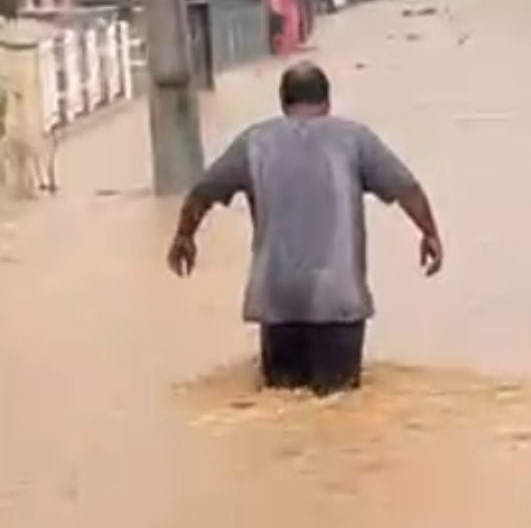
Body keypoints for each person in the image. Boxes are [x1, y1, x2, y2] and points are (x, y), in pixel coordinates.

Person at [166, 62, 444, 395]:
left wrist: (184, 237)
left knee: (282, 409)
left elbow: (202, 192)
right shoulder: (354, 139)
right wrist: (429, 234)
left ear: (283, 102)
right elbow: (406, 188)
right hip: (338, 300)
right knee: (338, 412)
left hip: (276, 299)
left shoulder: (254, 142)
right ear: (327, 102)